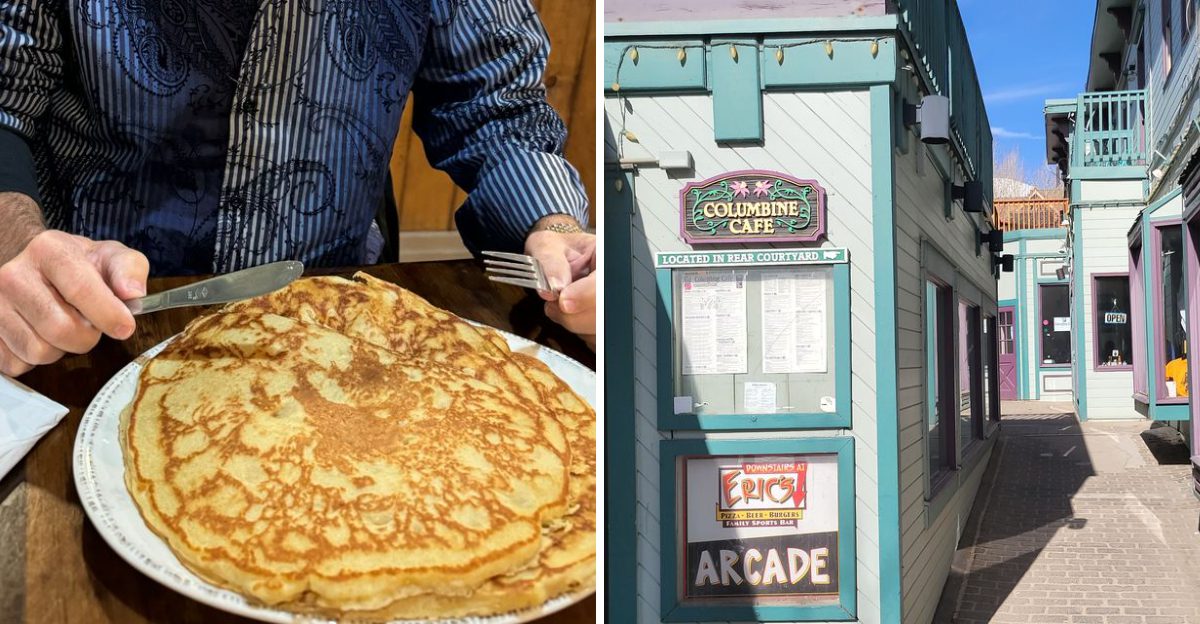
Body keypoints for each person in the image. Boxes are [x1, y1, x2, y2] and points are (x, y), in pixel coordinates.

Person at [0, 1, 595, 377]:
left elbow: (497, 111)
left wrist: (556, 232)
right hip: (89, 323)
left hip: (343, 332)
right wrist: (15, 244)